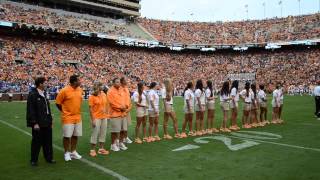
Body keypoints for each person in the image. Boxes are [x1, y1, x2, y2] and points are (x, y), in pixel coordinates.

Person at [26, 77, 55, 166]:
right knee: (36, 142)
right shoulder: (33, 94)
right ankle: (34, 160)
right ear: (40, 84)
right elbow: (31, 110)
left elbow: (47, 109)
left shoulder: (44, 94)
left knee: (48, 142)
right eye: (45, 83)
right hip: (38, 123)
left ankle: (49, 158)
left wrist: (50, 120)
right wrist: (34, 123)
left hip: (46, 122)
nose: (46, 84)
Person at [56, 75, 83, 161]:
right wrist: (64, 111)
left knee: (75, 135)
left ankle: (73, 151)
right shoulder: (64, 90)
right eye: (79, 80)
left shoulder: (80, 90)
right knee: (67, 136)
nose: (80, 81)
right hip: (68, 117)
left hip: (78, 117)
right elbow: (58, 103)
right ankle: (66, 153)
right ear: (74, 82)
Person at [88, 81, 109, 157]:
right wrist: (93, 120)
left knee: (103, 133)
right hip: (96, 117)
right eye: (101, 85)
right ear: (98, 86)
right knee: (95, 133)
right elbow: (90, 109)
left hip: (104, 117)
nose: (103, 87)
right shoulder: (92, 97)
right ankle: (92, 150)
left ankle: (101, 149)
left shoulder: (103, 94)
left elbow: (106, 104)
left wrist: (107, 113)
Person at [107, 78, 128, 151]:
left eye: (119, 82)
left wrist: (126, 106)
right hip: (115, 114)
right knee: (115, 131)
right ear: (113, 83)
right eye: (116, 82)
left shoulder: (122, 90)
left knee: (123, 130)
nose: (118, 83)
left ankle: (120, 142)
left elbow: (126, 99)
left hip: (123, 113)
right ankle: (113, 144)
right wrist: (120, 108)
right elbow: (112, 103)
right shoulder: (110, 91)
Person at [120, 77, 133, 144]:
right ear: (122, 81)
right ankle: (122, 138)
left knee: (126, 124)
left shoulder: (127, 89)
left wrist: (129, 107)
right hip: (122, 110)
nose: (127, 81)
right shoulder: (120, 89)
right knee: (122, 126)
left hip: (127, 109)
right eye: (126, 80)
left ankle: (125, 137)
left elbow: (129, 99)